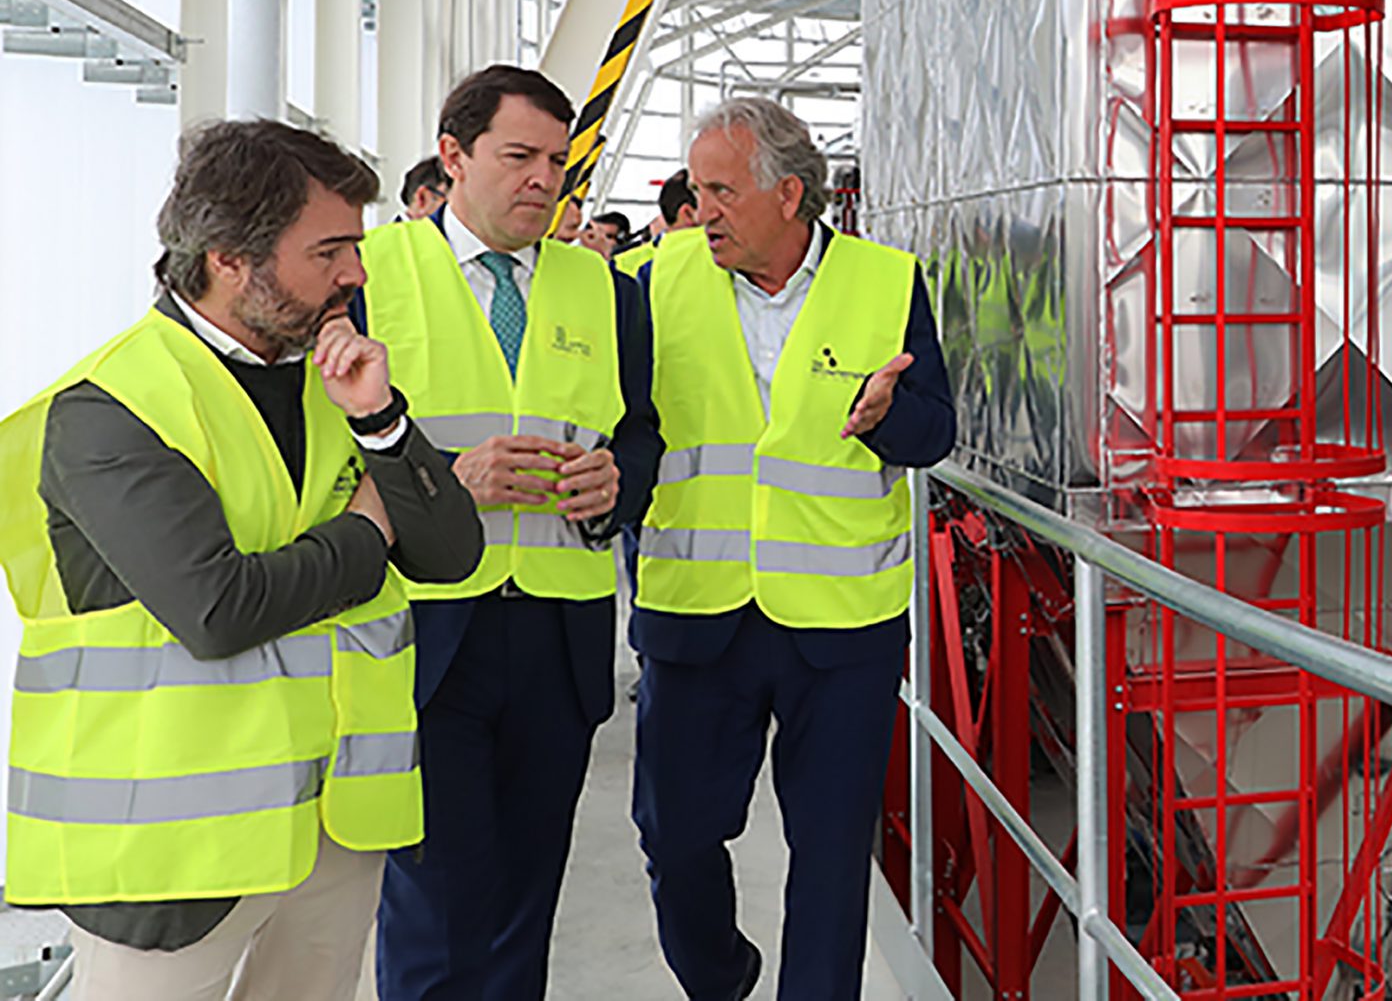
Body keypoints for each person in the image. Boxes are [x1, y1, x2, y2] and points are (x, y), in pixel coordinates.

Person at [0, 120, 482, 1000]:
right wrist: (368, 532)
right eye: (329, 249)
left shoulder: (332, 374)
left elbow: (452, 552)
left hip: (334, 819)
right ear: (229, 257)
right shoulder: (110, 408)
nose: (357, 273)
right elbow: (219, 609)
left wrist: (381, 422)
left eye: (357, 246)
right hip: (175, 853)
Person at [633, 98, 953, 1001]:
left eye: (722, 190)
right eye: (697, 190)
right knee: (675, 833)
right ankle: (720, 974)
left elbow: (937, 430)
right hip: (699, 616)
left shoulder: (888, 282)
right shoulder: (656, 283)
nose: (703, 211)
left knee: (832, 847)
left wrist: (894, 420)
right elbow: (631, 428)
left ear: (789, 193)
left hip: (845, 625)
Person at [362, 67, 662, 1001]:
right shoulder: (373, 277)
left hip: (558, 636)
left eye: (559, 162)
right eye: (519, 156)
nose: (544, 180)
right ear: (453, 157)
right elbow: (331, 456)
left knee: (526, 901)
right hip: (427, 634)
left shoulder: (607, 290)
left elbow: (643, 432)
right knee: (434, 901)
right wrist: (450, 482)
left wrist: (618, 486)